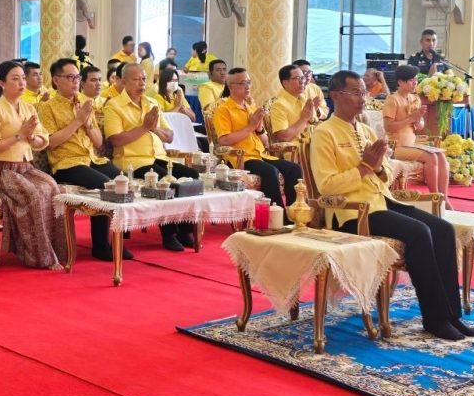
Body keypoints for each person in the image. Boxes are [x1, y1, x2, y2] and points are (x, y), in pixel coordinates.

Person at [311, 70, 474, 341]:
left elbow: (387, 174)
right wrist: (365, 167)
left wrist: (377, 168)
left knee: (444, 229)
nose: (362, 98)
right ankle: (434, 318)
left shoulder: (365, 130)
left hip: (382, 200)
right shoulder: (324, 133)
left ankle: (451, 315)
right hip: (352, 211)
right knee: (419, 233)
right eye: (355, 93)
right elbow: (327, 186)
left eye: (364, 92)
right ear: (336, 96)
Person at [37, 58, 127, 261]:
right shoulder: (47, 107)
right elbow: (51, 143)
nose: (75, 81)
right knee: (104, 185)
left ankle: (118, 240)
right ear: (56, 80)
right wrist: (77, 121)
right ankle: (100, 245)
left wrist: (87, 124)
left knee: (121, 180)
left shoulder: (84, 104)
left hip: (91, 158)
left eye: (77, 77)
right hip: (66, 163)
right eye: (70, 77)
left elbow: (98, 143)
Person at [104, 63, 200, 251]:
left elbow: (169, 136)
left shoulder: (151, 103)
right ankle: (169, 235)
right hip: (133, 161)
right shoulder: (114, 106)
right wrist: (144, 128)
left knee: (191, 176)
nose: (142, 83)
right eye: (136, 79)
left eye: (144, 79)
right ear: (123, 81)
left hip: (160, 157)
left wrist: (154, 128)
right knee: (165, 181)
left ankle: (185, 231)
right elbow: (115, 140)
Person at [0, 60, 66, 270]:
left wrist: (31, 138)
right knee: (33, 194)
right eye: (15, 79)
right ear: (2, 83)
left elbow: (42, 139)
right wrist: (19, 135)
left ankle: (57, 251)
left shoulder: (28, 108)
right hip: (2, 170)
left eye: (22, 78)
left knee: (53, 188)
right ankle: (39, 256)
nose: (21, 83)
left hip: (26, 167)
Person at [214, 68, 301, 207]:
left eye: (249, 82)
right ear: (231, 86)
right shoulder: (224, 110)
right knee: (270, 172)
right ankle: (276, 213)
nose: (247, 86)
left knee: (294, 169)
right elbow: (224, 140)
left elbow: (265, 142)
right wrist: (250, 127)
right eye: (242, 83)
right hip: (241, 158)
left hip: (260, 155)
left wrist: (259, 128)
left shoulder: (250, 107)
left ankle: (293, 210)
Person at [384, 65, 452, 207]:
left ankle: (445, 198)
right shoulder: (393, 99)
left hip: (411, 144)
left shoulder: (414, 98)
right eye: (411, 80)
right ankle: (434, 197)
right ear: (400, 82)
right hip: (396, 146)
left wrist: (418, 119)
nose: (415, 83)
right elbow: (388, 126)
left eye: (416, 80)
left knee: (441, 156)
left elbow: (420, 126)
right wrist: (411, 118)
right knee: (431, 157)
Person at [270, 64, 320, 146]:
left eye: (302, 78)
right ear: (285, 83)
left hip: (313, 141)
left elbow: (313, 122)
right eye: (297, 78)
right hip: (297, 148)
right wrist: (303, 119)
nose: (302, 81)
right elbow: (283, 137)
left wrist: (313, 113)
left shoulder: (304, 98)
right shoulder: (279, 105)